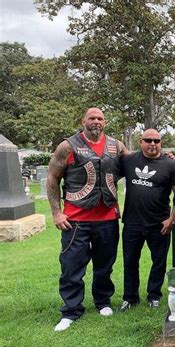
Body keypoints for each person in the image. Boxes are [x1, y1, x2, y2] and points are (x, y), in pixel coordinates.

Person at [47, 108, 128, 331]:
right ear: (83, 121)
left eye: (100, 118)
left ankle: (102, 301)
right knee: (72, 267)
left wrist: (168, 158)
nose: (96, 121)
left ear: (105, 122)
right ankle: (71, 310)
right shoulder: (68, 146)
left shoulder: (116, 146)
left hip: (107, 217)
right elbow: (53, 179)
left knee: (105, 265)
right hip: (75, 220)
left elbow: (137, 165)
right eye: (91, 118)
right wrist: (56, 212)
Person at [119, 129, 175, 311]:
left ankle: (154, 295)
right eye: (148, 140)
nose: (152, 144)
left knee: (159, 261)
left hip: (159, 223)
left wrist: (171, 220)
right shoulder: (129, 161)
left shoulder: (171, 165)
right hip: (132, 222)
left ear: (161, 142)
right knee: (130, 261)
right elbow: (108, 176)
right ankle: (130, 298)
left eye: (156, 140)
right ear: (140, 141)